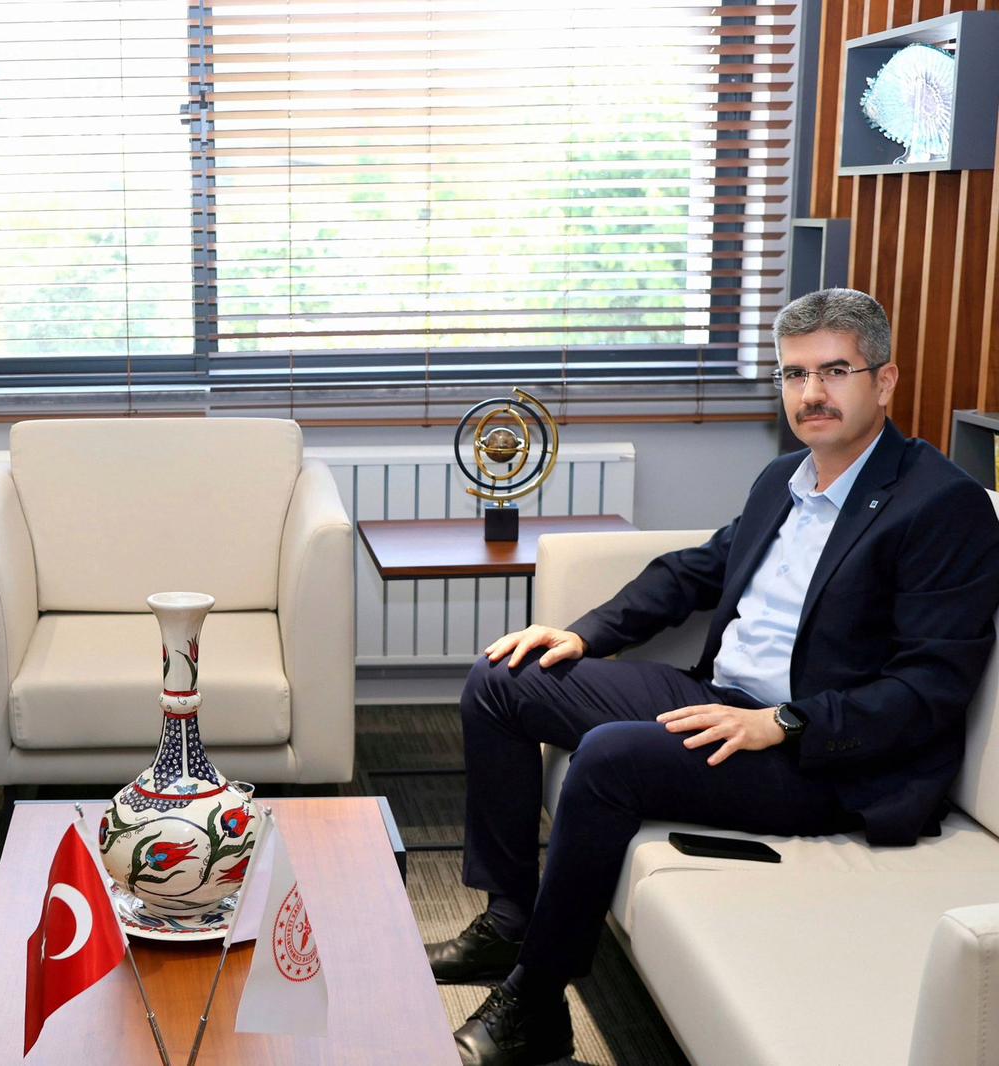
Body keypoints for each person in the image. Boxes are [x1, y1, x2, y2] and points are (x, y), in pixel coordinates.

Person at [427, 289, 999, 1066]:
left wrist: (784, 723)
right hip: (722, 701)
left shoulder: (941, 505)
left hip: (823, 757)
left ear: (885, 381)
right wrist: (583, 633)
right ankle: (509, 922)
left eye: (834, 371)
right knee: (503, 676)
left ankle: (537, 1005)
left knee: (609, 758)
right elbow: (694, 572)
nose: (811, 393)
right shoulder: (786, 478)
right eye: (794, 375)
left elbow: (930, 686)